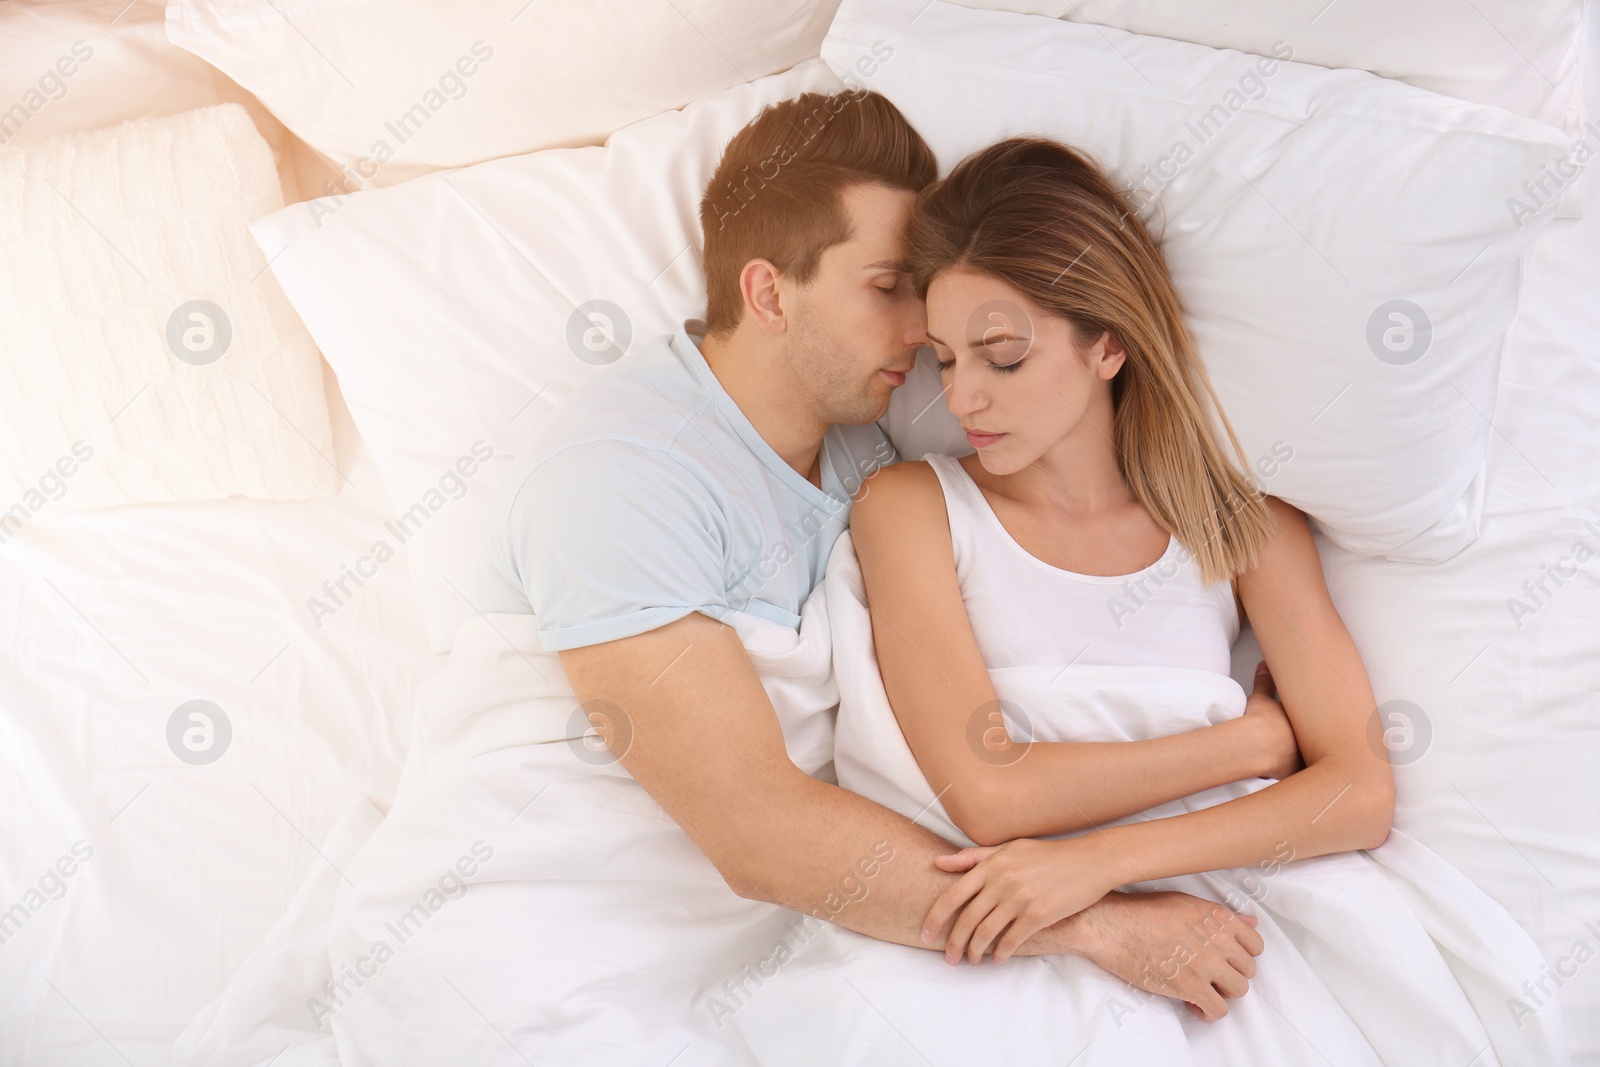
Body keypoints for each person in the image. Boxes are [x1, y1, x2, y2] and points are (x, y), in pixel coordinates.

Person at [479, 91, 1277, 1021]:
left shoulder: (867, 442)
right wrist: (1098, 921)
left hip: (795, 940)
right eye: (888, 286)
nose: (921, 331)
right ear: (770, 292)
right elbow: (759, 835)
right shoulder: (621, 479)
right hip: (550, 943)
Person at [814, 134, 1550, 1063]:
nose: (963, 395)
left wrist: (1099, 862)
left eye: (1000, 354)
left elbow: (1360, 792)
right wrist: (1251, 741)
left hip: (1212, 908)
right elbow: (992, 792)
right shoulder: (914, 506)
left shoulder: (1245, 524)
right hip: (999, 919)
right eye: (946, 358)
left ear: (1108, 343)